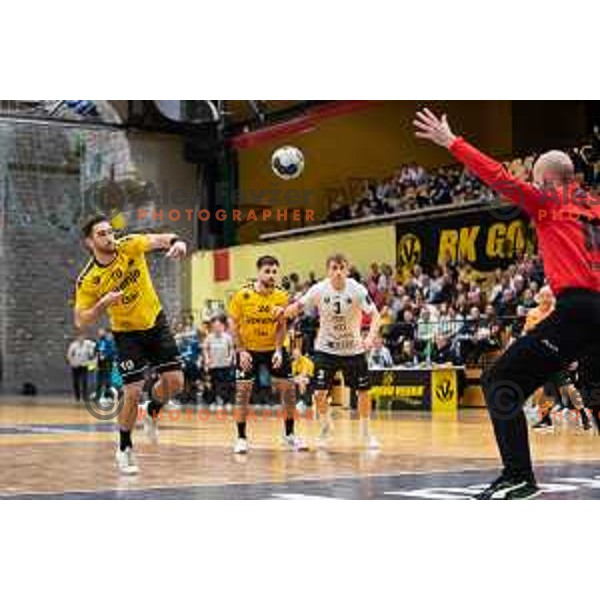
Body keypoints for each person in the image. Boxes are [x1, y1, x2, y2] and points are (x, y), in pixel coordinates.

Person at [415, 107, 600, 499]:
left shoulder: (549, 201)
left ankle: (518, 475)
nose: (530, 183)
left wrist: (453, 142)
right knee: (594, 390)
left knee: (501, 381)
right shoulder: (595, 205)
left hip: (579, 309)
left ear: (546, 180)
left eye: (533, 177)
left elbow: (499, 177)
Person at [74, 214, 187, 475]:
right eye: (101, 234)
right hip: (126, 334)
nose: (109, 236)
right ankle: (124, 447)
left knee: (176, 383)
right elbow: (81, 320)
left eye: (110, 231)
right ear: (89, 242)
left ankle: (153, 409)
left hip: (155, 322)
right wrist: (102, 304)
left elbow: (161, 238)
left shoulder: (130, 245)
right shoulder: (89, 279)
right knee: (133, 391)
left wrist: (176, 243)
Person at [285, 253, 381, 449]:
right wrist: (283, 312)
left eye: (341, 268)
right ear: (328, 271)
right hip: (326, 349)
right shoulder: (319, 289)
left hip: (353, 350)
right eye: (333, 268)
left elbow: (376, 316)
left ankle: (366, 434)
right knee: (319, 393)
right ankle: (326, 427)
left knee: (363, 392)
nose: (337, 272)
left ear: (347, 270)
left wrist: (370, 337)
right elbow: (299, 306)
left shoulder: (357, 289)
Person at [228, 255, 306, 454]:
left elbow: (282, 326)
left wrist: (279, 350)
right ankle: (241, 438)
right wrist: (241, 350)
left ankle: (289, 435)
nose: (271, 275)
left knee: (289, 391)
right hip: (249, 350)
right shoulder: (242, 295)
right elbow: (233, 324)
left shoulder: (281, 295)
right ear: (258, 272)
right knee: (242, 393)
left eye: (274, 272)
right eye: (267, 271)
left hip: (273, 348)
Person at [525, 287, 591, 432]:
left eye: (549, 296)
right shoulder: (532, 313)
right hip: (541, 357)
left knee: (567, 388)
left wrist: (573, 357)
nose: (546, 299)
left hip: (557, 355)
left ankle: (583, 417)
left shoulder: (558, 313)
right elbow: (529, 334)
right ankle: (547, 419)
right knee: (548, 390)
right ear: (540, 297)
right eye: (544, 296)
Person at [203, 314, 235, 410]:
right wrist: (207, 359)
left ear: (223, 326)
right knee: (213, 384)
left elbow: (232, 348)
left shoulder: (227, 337)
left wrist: (230, 358)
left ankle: (227, 402)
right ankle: (213, 402)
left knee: (226, 384)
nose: (217, 328)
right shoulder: (209, 337)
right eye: (215, 326)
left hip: (225, 364)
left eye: (219, 326)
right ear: (212, 327)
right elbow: (205, 349)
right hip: (213, 365)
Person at [66, 333, 95, 402]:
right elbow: (69, 355)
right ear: (77, 338)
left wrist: (91, 362)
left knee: (84, 381)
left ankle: (85, 396)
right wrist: (71, 362)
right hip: (75, 365)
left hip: (84, 365)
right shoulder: (73, 345)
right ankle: (77, 396)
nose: (81, 339)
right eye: (79, 337)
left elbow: (91, 353)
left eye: (82, 337)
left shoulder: (87, 344)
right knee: (76, 382)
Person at [95, 328, 117, 400]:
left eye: (101, 332)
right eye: (99, 333)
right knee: (99, 380)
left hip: (107, 362)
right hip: (100, 363)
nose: (100, 334)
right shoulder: (99, 342)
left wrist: (105, 355)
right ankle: (98, 396)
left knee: (107, 380)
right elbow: (97, 351)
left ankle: (109, 395)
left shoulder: (110, 342)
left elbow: (112, 351)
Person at [291, 346, 315, 412]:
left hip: (310, 376)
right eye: (294, 355)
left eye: (297, 355)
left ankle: (303, 400)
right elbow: (293, 374)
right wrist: (295, 378)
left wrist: (298, 378)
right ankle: (298, 400)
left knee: (302, 381)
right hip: (300, 376)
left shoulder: (305, 361)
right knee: (297, 381)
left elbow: (304, 374)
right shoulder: (294, 363)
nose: (296, 356)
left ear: (300, 354)